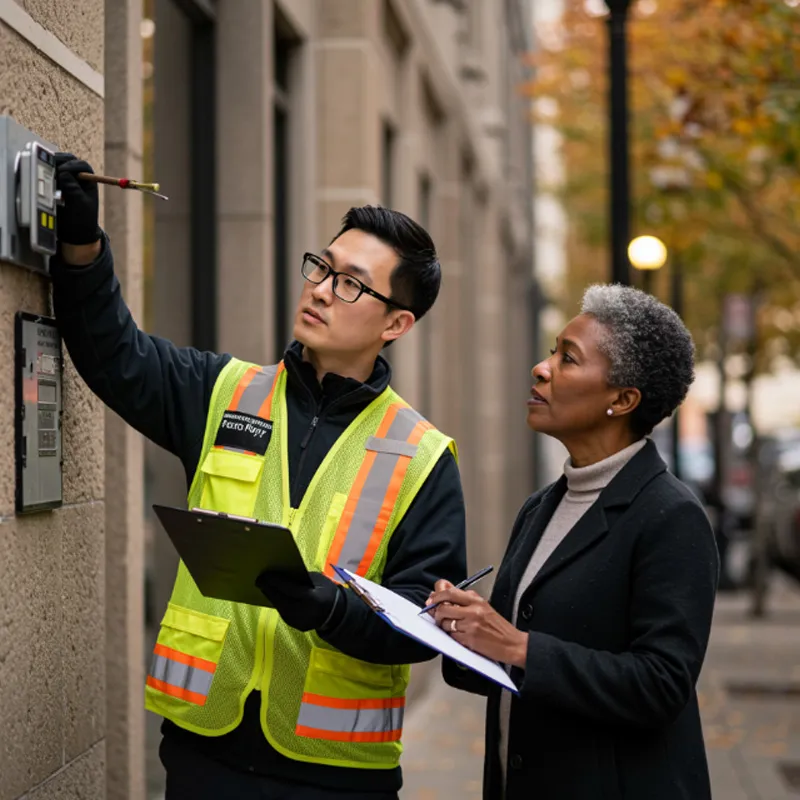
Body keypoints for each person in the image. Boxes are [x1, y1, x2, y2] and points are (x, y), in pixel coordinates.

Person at [51, 155, 466, 799]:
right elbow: (113, 353)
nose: (322, 289)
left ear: (397, 324)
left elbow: (423, 623)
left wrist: (326, 607)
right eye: (322, 268)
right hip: (202, 756)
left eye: (351, 283)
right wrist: (82, 245)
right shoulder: (222, 392)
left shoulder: (422, 456)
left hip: (336, 777)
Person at [426, 285, 719, 800]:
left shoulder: (671, 516)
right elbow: (514, 666)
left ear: (622, 400)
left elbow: (662, 685)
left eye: (568, 358)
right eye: (551, 351)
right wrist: (462, 631)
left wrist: (517, 644)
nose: (541, 368)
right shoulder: (541, 507)